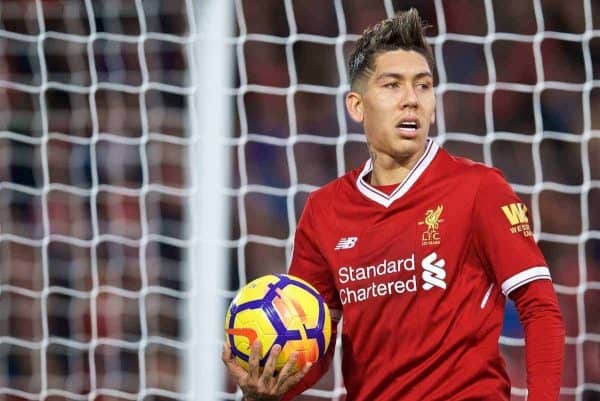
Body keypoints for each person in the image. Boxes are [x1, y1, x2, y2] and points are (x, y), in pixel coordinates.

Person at [222, 8, 565, 401]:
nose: (411, 101)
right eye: (392, 85)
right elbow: (314, 348)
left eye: (423, 86)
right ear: (357, 106)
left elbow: (540, 310)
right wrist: (267, 390)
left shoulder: (479, 189)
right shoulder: (324, 211)